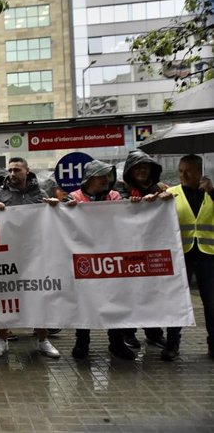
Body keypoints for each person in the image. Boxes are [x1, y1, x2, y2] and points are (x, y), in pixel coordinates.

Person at [62, 159, 135, 360]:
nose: (105, 180)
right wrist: (59, 207)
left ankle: (117, 343)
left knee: (114, 301)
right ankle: (82, 342)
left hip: (111, 258)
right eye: (100, 176)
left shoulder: (115, 196)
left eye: (106, 176)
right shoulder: (73, 197)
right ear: (90, 178)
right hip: (83, 259)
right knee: (84, 302)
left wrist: (137, 205)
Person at [0, 157, 60, 359]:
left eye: (17, 170)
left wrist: (55, 207)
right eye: (10, 170)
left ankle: (42, 339)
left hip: (35, 253)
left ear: (27, 171)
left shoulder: (40, 194)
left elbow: (53, 218)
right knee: (5, 296)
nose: (12, 174)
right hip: (8, 254)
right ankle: (2, 339)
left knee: (38, 296)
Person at [162, 154, 214, 361]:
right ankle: (172, 344)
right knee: (177, 301)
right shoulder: (170, 193)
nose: (183, 174)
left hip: (208, 256)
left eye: (189, 170)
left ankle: (213, 344)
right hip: (181, 255)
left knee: (211, 303)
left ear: (200, 172)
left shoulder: (212, 192)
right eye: (181, 170)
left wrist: (212, 191)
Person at [120, 150, 169, 350]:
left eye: (145, 167)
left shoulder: (162, 188)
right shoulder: (122, 190)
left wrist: (165, 198)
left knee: (153, 294)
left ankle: (154, 333)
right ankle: (128, 334)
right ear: (130, 171)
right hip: (127, 250)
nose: (141, 171)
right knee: (129, 294)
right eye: (136, 167)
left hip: (152, 250)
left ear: (151, 170)